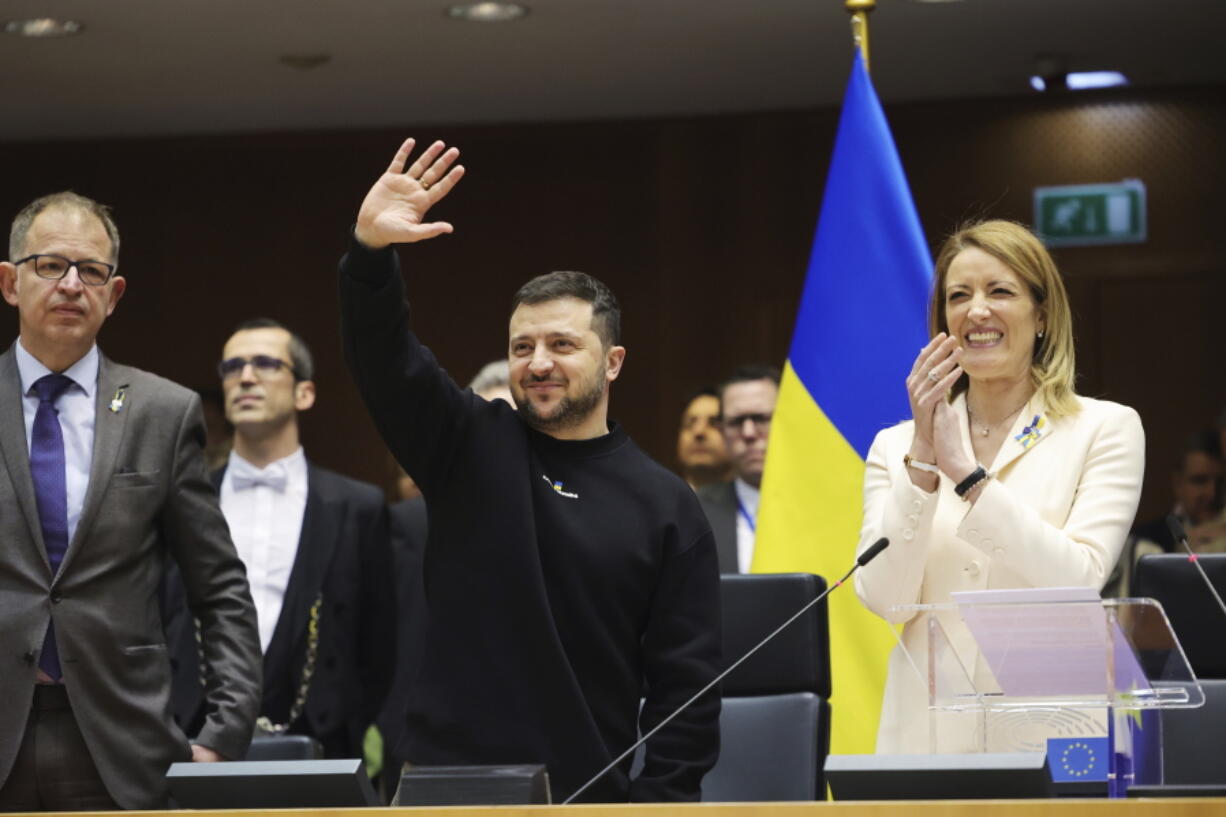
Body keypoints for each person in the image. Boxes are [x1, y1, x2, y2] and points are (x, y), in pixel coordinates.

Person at [338, 138, 721, 802]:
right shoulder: (467, 444)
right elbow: (387, 362)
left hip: (587, 796)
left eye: (562, 344)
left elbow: (686, 692)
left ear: (614, 361)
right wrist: (372, 257)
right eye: (522, 346)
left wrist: (658, 806)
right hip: (441, 789)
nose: (538, 361)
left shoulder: (666, 504)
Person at [0, 192, 261, 810]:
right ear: (10, 283)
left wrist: (223, 735)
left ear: (113, 295)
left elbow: (218, 586)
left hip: (122, 744)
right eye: (50, 266)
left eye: (91, 271)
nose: (71, 285)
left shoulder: (162, 413)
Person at [855, 219, 1145, 754]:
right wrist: (922, 459)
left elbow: (1077, 578)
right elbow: (886, 600)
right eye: (958, 296)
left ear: (1042, 316)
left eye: (1000, 291)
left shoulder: (1104, 428)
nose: (977, 311)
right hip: (928, 735)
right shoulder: (894, 446)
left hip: (1056, 735)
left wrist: (968, 476)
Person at [166, 319, 396, 761]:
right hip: (191, 740)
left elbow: (381, 644)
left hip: (324, 745)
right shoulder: (181, 502)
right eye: (232, 366)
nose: (245, 376)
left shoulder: (358, 506)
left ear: (304, 393)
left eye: (266, 364)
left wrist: (353, 723)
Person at [696, 366, 780, 573]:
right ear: (722, 431)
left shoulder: (826, 507)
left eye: (761, 418)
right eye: (736, 422)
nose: (749, 433)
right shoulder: (696, 511)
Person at [676, 388, 732, 491]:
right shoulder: (659, 503)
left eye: (714, 423)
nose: (698, 432)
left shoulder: (760, 503)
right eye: (689, 424)